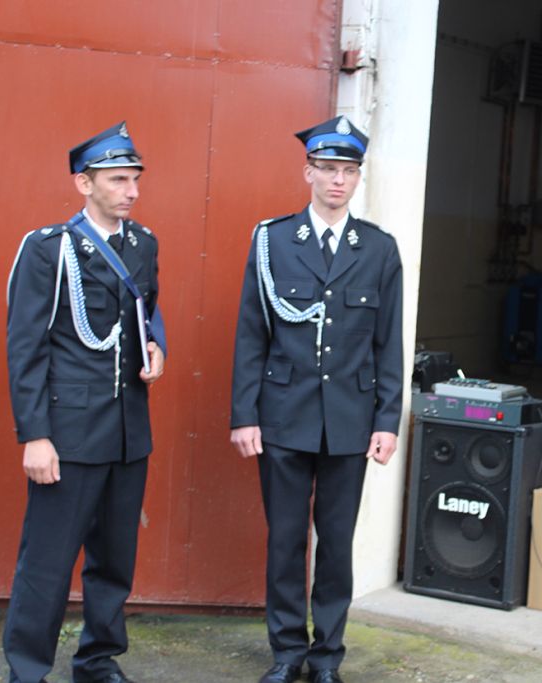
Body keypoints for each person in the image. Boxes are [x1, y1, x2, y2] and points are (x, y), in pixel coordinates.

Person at [229, 115, 403, 683]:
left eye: (348, 171)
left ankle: (326, 657)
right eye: (327, 169)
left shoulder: (378, 249)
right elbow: (251, 334)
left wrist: (388, 420)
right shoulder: (273, 241)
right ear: (308, 172)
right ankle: (286, 653)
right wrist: (244, 415)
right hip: (283, 417)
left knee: (335, 545)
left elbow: (389, 343)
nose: (337, 181)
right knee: (284, 541)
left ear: (358, 178)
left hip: (350, 421)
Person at [4, 121, 166, 683]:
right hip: (68, 434)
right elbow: (25, 347)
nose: (131, 191)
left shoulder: (143, 244)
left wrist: (157, 347)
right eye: (118, 180)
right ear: (84, 183)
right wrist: (35, 435)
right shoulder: (48, 249)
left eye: (135, 179)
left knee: (115, 561)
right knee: (47, 563)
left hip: (127, 430)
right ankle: (27, 671)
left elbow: (147, 311)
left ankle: (97, 660)